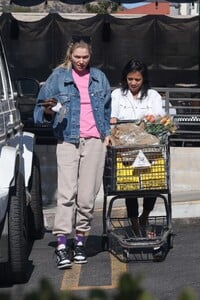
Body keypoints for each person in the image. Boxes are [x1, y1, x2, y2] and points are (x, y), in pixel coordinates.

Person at [34, 35, 111, 269]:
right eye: (77, 57)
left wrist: (106, 133)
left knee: (87, 197)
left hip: (95, 141)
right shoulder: (57, 78)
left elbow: (106, 110)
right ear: (70, 56)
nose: (81, 61)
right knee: (67, 194)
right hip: (67, 140)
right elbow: (39, 111)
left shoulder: (99, 78)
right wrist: (48, 111)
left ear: (90, 56)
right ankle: (61, 245)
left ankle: (80, 242)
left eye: (85, 57)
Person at [110, 58, 165, 236]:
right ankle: (134, 223)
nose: (133, 83)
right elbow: (112, 119)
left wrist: (152, 122)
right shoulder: (117, 95)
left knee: (152, 184)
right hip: (125, 149)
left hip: (148, 149)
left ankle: (145, 215)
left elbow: (160, 119)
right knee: (130, 186)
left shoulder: (153, 96)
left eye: (137, 80)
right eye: (130, 79)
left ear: (144, 80)